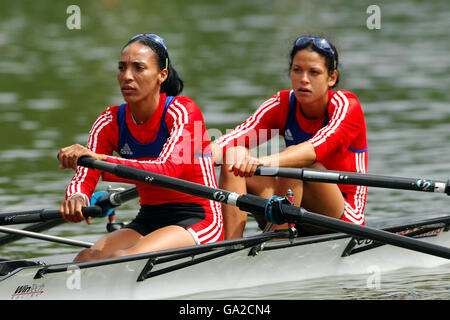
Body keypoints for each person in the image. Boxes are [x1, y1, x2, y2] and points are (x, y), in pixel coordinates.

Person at [58, 33, 223, 261]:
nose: (127, 76)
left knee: (124, 258)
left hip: (199, 217)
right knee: (86, 258)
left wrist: (101, 159)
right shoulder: (109, 121)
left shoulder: (184, 112)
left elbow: (167, 169)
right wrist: (77, 198)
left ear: (161, 75)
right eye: (121, 67)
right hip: (149, 217)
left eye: (138, 68)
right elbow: (86, 174)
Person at [211, 35, 368, 239]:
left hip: (342, 216)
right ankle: (231, 247)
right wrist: (188, 160)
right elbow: (230, 140)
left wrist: (260, 162)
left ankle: (278, 240)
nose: (304, 79)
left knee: (296, 162)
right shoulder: (282, 103)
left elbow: (313, 150)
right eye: (297, 70)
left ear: (332, 78)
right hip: (294, 203)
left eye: (314, 72)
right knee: (234, 156)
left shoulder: (347, 105)